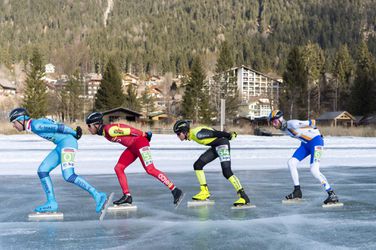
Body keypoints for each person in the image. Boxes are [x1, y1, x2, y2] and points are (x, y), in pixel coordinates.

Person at [9, 107, 107, 213]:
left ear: (22, 119)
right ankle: (51, 203)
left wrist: (74, 133)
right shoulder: (34, 124)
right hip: (61, 145)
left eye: (14, 122)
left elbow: (58, 127)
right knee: (42, 170)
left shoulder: (35, 125)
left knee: (69, 175)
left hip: (68, 143)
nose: (14, 125)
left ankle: (97, 195)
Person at [86, 112, 184, 207]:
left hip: (140, 143)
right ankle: (127, 196)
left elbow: (129, 130)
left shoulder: (109, 130)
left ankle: (175, 190)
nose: (88, 128)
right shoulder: (105, 131)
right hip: (132, 147)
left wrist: (144, 134)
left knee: (150, 169)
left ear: (96, 125)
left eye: (89, 126)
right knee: (118, 168)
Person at [173, 120, 251, 207]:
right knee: (197, 165)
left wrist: (229, 135)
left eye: (178, 134)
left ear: (184, 131)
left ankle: (243, 196)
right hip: (216, 146)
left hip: (222, 144)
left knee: (227, 172)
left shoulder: (197, 134)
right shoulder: (193, 134)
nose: (178, 136)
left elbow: (215, 133)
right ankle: (204, 192)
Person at [269, 110, 340, 205]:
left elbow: (312, 122)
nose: (273, 124)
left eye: (275, 122)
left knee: (314, 170)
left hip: (316, 142)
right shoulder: (283, 128)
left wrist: (316, 132)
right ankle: (297, 191)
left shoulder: (293, 124)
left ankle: (331, 194)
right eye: (272, 123)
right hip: (305, 144)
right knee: (291, 162)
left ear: (281, 119)